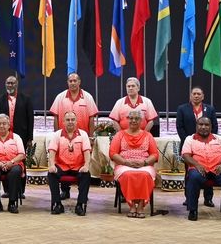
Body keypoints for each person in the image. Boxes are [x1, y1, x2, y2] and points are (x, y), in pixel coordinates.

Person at [181, 117, 221, 223]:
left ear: (211, 127)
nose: (203, 127)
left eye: (206, 125)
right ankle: (193, 211)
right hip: (199, 170)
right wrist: (197, 165)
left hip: (217, 170)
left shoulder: (219, 139)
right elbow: (185, 155)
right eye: (200, 124)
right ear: (196, 126)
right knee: (193, 177)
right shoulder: (189, 139)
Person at [49, 72, 98, 200]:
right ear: (67, 83)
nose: (73, 83)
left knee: (83, 165)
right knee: (63, 162)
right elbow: (56, 117)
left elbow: (92, 118)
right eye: (70, 81)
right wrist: (56, 135)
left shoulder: (88, 97)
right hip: (63, 138)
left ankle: (83, 194)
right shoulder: (60, 97)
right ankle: (65, 191)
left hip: (82, 140)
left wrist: (91, 137)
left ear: (79, 82)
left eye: (75, 80)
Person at [110, 110, 159, 218]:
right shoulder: (120, 135)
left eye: (136, 118)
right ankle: (132, 205)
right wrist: (126, 162)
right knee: (128, 175)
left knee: (145, 175)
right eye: (131, 118)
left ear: (141, 121)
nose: (133, 120)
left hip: (144, 164)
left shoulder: (148, 135)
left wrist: (144, 162)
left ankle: (141, 206)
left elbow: (155, 154)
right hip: (124, 164)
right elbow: (113, 153)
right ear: (127, 120)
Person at [176, 86, 219, 207]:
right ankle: (189, 198)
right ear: (190, 96)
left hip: (209, 147)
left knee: (209, 171)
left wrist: (210, 141)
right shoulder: (182, 109)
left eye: (198, 94)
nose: (196, 96)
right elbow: (180, 127)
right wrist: (190, 142)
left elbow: (214, 126)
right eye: (194, 94)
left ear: (203, 96)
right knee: (189, 173)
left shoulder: (210, 109)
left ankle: (208, 198)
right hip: (189, 147)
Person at [0, 75, 33, 199]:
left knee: (20, 163)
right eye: (8, 83)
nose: (10, 85)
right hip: (4, 137)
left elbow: (30, 119)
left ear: (17, 85)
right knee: (4, 160)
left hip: (21, 137)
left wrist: (30, 138)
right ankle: (7, 190)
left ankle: (20, 191)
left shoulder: (26, 99)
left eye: (12, 83)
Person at [47, 111, 91, 216]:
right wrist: (52, 165)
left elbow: (87, 152)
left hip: (78, 166)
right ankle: (57, 203)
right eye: (67, 120)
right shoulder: (57, 135)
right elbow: (52, 151)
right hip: (62, 166)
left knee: (86, 175)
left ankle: (80, 204)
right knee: (51, 174)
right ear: (63, 122)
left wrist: (86, 165)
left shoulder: (83, 134)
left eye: (72, 120)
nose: (70, 122)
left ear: (76, 121)